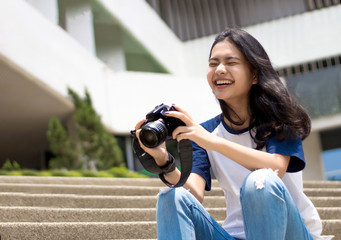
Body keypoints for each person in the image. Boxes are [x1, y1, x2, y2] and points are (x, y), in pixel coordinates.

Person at [134, 28, 323, 240]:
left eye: (231, 62)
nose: (220, 70)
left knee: (260, 180)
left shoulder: (279, 118)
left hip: (292, 233)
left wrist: (212, 142)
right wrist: (163, 160)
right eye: (213, 63)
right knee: (172, 196)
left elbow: (276, 167)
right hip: (235, 235)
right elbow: (194, 193)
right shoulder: (204, 133)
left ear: (254, 74)